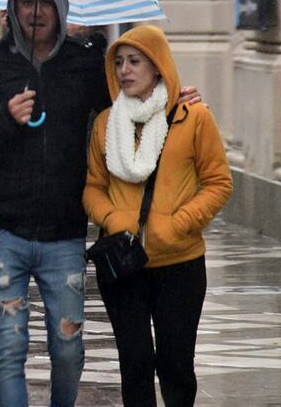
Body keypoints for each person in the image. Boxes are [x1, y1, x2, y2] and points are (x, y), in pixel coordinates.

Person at [0, 0, 201, 407]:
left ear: (61, 9)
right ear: (13, 8)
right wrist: (4, 118)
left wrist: (175, 97)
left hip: (64, 235)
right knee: (9, 348)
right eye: (28, 1)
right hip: (0, 230)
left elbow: (132, 106)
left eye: (47, 1)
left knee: (67, 350)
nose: (37, 11)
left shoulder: (85, 64)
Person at [83, 25, 231, 407]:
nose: (124, 71)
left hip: (179, 263)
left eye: (135, 62)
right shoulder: (105, 124)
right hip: (123, 263)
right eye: (118, 63)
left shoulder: (193, 118)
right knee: (134, 365)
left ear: (158, 67)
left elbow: (218, 183)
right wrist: (115, 221)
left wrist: (177, 224)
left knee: (176, 365)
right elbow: (93, 188)